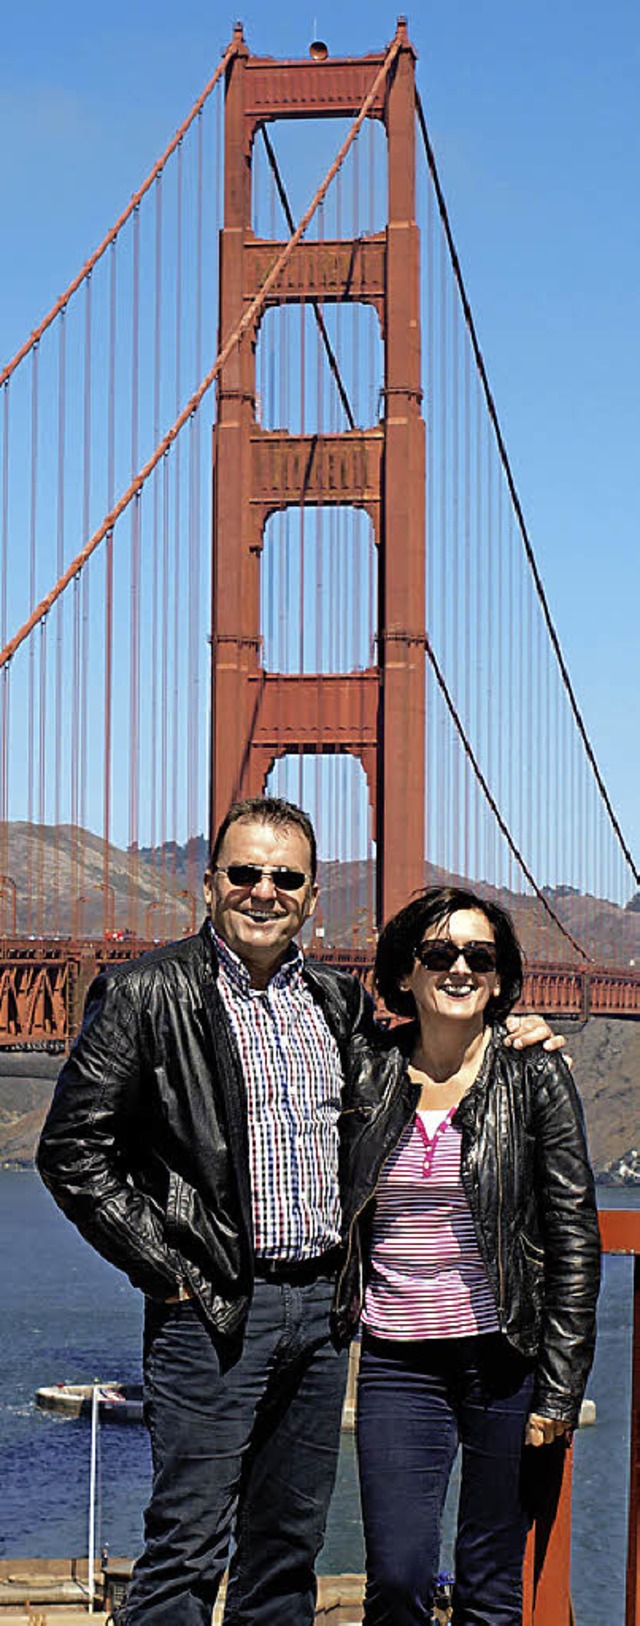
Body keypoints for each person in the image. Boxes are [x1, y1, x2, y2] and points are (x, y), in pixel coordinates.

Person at [37, 801, 565, 1626]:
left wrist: (505, 1032)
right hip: (212, 1305)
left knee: (287, 1548)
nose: (263, 891)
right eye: (244, 873)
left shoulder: (336, 1002)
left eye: (285, 878)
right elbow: (71, 1152)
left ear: (311, 898)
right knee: (187, 1545)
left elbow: (426, 1059)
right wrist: (169, 1272)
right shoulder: (145, 992)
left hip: (322, 1314)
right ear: (210, 885)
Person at [336, 885, 601, 1626]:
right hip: (396, 1360)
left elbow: (573, 1233)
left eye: (479, 956)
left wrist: (559, 1386)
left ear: (500, 973)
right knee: (397, 1576)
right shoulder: (367, 1070)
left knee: (490, 1585)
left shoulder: (534, 1073)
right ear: (406, 972)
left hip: (504, 1357)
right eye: (438, 953)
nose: (460, 969)